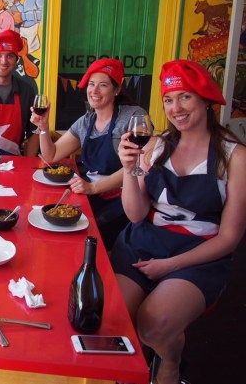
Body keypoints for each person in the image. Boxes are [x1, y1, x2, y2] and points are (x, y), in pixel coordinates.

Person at [112, 60, 246, 384]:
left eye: (185, 97)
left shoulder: (235, 157)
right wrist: (129, 169)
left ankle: (171, 363)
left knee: (153, 324)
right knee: (113, 318)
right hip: (144, 241)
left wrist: (170, 265)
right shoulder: (155, 145)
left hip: (198, 252)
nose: (176, 108)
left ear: (206, 99)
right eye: (169, 100)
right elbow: (135, 214)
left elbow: (229, 238)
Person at [31, 58, 147, 250]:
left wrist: (93, 188)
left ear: (117, 90)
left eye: (103, 85)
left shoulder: (133, 117)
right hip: (91, 195)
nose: (94, 90)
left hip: (122, 200)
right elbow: (51, 155)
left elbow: (139, 165)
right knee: (52, 220)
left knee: (82, 237)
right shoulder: (86, 121)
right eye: (91, 84)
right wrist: (43, 127)